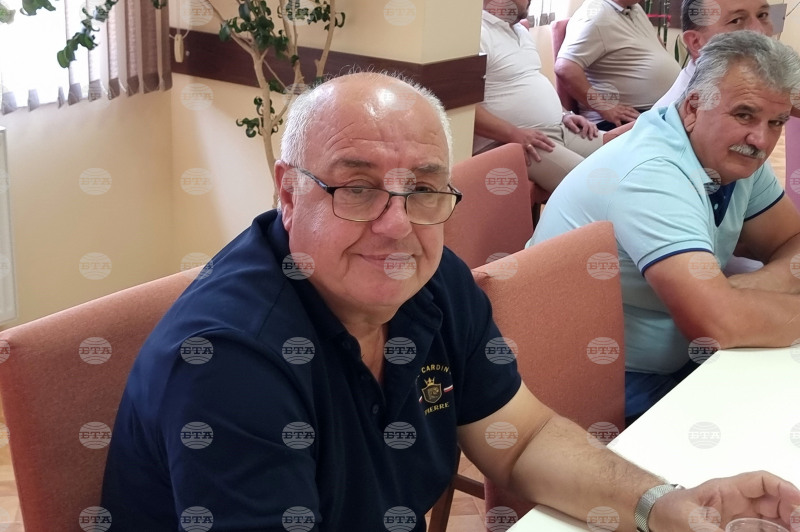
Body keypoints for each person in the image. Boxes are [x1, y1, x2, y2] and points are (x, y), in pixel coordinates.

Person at [101, 71, 800, 531]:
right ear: (289, 192)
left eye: (424, 188)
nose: (396, 224)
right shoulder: (230, 364)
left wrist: (663, 504)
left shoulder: (432, 283)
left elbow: (521, 438)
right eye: (357, 187)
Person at [530, 31, 800, 424]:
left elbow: (792, 240)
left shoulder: (732, 156)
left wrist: (750, 287)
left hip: (674, 355)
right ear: (693, 107)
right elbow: (718, 325)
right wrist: (731, 301)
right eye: (744, 114)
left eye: (776, 122)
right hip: (597, 377)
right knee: (763, 427)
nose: (761, 139)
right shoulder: (651, 175)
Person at [475, 0, 603, 192]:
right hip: (508, 140)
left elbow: (533, 81)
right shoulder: (477, 34)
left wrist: (565, 114)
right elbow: (463, 108)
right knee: (593, 183)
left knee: (622, 155)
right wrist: (512, 133)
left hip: (557, 129)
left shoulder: (521, 30)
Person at [555, 0, 681, 131]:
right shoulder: (596, 16)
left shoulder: (634, 8)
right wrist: (604, 107)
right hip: (623, 120)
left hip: (656, 111)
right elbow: (565, 68)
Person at [653, 0, 773, 109]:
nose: (760, 31)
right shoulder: (683, 115)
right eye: (736, 21)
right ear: (696, 43)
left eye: (762, 15)